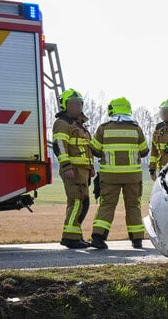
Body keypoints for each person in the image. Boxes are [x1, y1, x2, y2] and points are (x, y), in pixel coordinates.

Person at [88, 97, 149, 249]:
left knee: (107, 205)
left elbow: (94, 150)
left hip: (110, 176)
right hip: (132, 177)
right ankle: (137, 239)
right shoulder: (136, 128)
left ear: (112, 109)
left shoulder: (103, 128)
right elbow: (144, 151)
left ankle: (98, 237)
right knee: (133, 206)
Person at [51, 89, 95, 248]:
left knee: (84, 203)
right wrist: (67, 166)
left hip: (83, 170)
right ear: (65, 106)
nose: (77, 107)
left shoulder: (79, 125)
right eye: (73, 104)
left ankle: (76, 236)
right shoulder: (63, 123)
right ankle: (70, 238)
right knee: (76, 202)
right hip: (72, 170)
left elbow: (86, 148)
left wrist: (91, 167)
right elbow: (60, 146)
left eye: (79, 104)